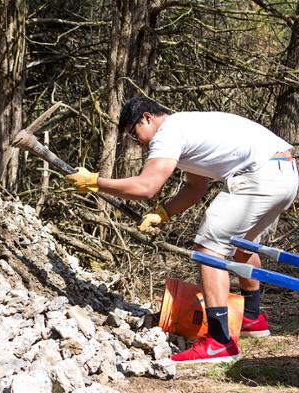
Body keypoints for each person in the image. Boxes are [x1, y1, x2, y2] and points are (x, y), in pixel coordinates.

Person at [65, 96, 297, 363]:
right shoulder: (187, 128)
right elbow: (195, 188)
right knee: (240, 244)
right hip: (284, 173)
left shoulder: (168, 132)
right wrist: (164, 212)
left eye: (134, 134)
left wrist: (96, 182)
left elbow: (145, 186)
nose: (137, 143)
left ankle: (220, 342)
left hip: (260, 175)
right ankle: (253, 319)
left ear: (147, 118)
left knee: (208, 249)